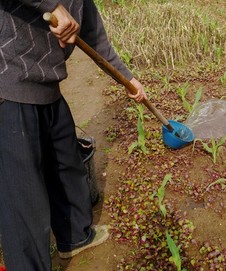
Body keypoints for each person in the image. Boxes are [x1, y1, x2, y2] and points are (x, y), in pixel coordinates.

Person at [0, 0, 147, 270]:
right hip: (9, 85)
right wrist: (52, 5)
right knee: (24, 200)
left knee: (67, 165)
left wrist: (128, 79)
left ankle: (75, 237)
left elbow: (95, 38)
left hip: (47, 83)